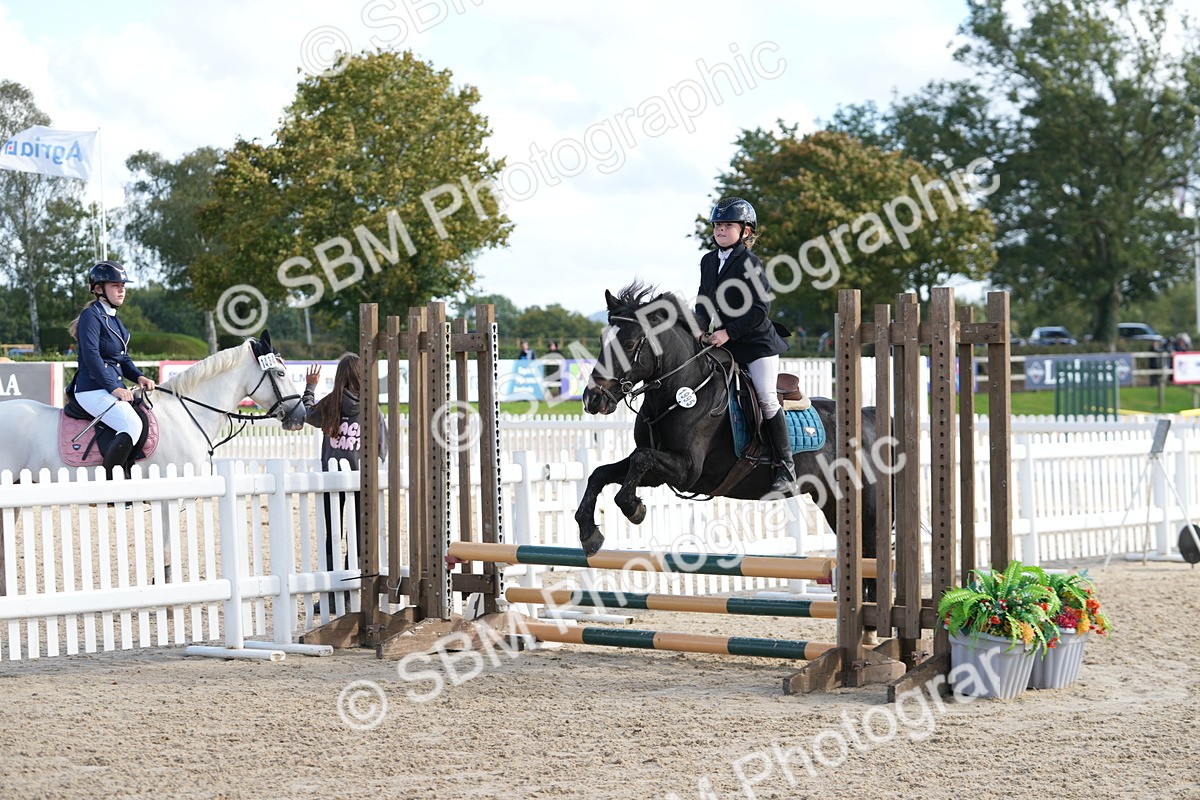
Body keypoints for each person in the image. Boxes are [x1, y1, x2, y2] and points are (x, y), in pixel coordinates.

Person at [691, 197, 794, 495]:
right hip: (727, 341)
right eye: (718, 225)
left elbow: (760, 309)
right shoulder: (708, 261)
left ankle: (786, 467)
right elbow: (704, 301)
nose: (721, 230)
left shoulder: (750, 263)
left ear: (745, 232)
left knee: (765, 397)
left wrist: (727, 334)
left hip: (757, 343)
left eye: (728, 226)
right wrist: (699, 330)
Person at [303, 354, 387, 614]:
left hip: (332, 479)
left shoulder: (331, 403)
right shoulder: (370, 407)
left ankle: (330, 594)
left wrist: (310, 387)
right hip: (360, 481)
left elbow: (306, 414)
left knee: (332, 538)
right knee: (357, 538)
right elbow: (382, 448)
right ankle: (351, 592)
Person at [67, 261, 156, 479]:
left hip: (108, 388)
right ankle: (109, 485)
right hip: (91, 389)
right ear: (99, 289)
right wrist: (114, 388)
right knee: (132, 424)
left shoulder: (116, 321)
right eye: (115, 285)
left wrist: (138, 376)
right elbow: (91, 356)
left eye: (123, 285)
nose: (121, 289)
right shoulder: (92, 315)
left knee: (143, 416)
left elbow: (122, 358)